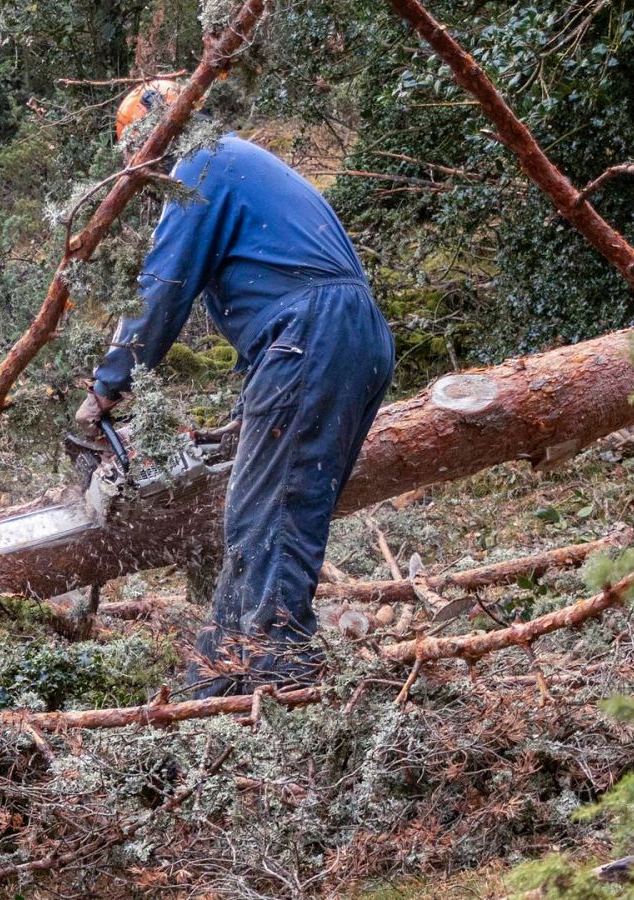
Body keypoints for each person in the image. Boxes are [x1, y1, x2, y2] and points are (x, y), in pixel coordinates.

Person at [76, 82, 395, 697]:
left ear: (150, 142)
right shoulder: (237, 161)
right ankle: (218, 682)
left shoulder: (202, 166)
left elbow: (161, 288)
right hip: (351, 334)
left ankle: (280, 682)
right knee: (265, 512)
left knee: (270, 516)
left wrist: (106, 389)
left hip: (312, 334)